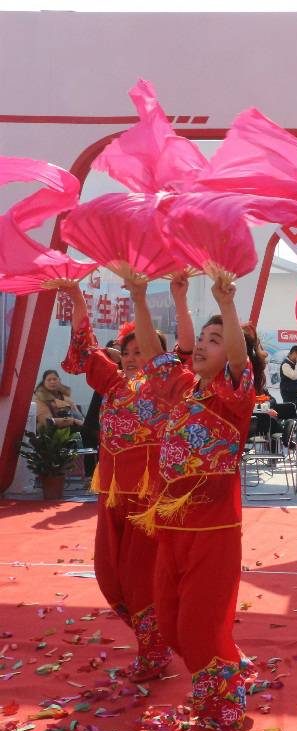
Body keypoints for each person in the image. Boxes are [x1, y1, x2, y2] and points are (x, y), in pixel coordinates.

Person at [132, 275, 266, 731]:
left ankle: (223, 712)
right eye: (203, 338)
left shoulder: (234, 398)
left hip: (213, 532)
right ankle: (231, 667)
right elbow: (153, 354)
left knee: (197, 629)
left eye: (215, 339)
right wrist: (138, 296)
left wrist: (226, 306)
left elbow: (238, 359)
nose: (205, 345)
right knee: (170, 627)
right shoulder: (183, 387)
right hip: (172, 527)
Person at [58, 274, 193, 687]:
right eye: (128, 351)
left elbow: (187, 349)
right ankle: (156, 639)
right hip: (113, 495)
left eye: (141, 351)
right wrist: (76, 295)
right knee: (108, 575)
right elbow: (86, 346)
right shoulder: (114, 383)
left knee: (139, 580)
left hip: (149, 502)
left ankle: (153, 652)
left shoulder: (168, 386)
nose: (133, 358)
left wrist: (178, 299)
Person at [279, 345, 297, 416]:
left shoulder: (295, 364)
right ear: (294, 353)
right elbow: (294, 376)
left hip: (295, 393)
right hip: (288, 394)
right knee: (291, 415)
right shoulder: (285, 364)